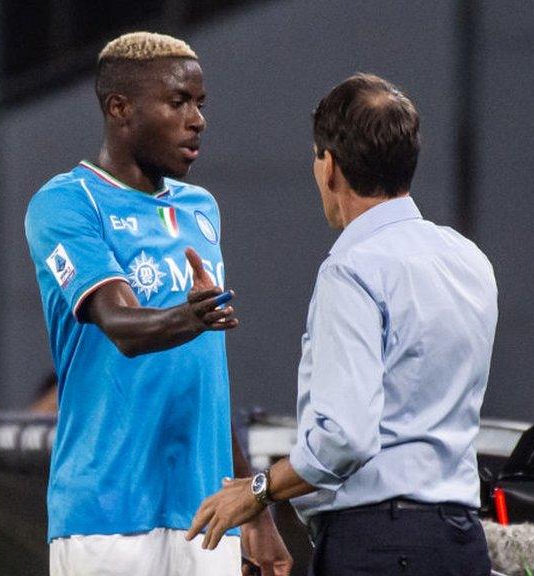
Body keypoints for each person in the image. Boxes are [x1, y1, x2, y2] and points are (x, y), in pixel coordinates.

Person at [188, 73, 498, 576]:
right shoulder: (469, 259)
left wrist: (258, 492)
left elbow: (344, 439)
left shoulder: (352, 268)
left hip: (379, 545)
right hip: (460, 542)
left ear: (329, 165)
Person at [24, 32, 290, 576]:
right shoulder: (67, 203)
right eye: (178, 102)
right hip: (107, 517)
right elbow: (121, 324)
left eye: (200, 103)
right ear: (120, 108)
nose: (198, 120)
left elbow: (206, 376)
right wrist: (190, 318)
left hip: (205, 516)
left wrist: (254, 508)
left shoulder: (202, 209)